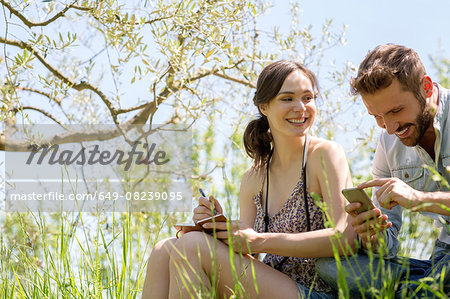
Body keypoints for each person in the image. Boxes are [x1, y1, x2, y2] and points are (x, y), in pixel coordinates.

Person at [141, 60, 357, 299]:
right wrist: (219, 230)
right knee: (166, 249)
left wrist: (259, 240)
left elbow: (345, 238)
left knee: (193, 246)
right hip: (274, 287)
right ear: (264, 106)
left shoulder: (324, 154)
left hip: (320, 291)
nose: (301, 107)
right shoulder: (254, 177)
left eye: (308, 97)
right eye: (287, 99)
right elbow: (247, 256)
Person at [316, 44, 450, 297]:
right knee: (332, 266)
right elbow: (387, 248)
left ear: (427, 87)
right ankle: (424, 288)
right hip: (443, 256)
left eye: (396, 111)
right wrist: (372, 235)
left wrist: (419, 199)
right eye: (377, 116)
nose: (389, 128)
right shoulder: (387, 144)